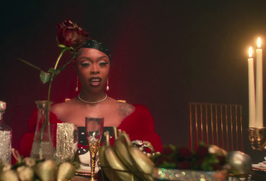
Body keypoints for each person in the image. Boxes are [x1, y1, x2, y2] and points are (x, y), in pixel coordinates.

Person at [19, 39, 162, 170]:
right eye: (86, 63)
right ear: (76, 68)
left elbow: (149, 166)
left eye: (102, 63)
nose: (95, 70)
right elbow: (31, 165)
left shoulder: (133, 115)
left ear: (109, 68)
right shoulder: (51, 113)